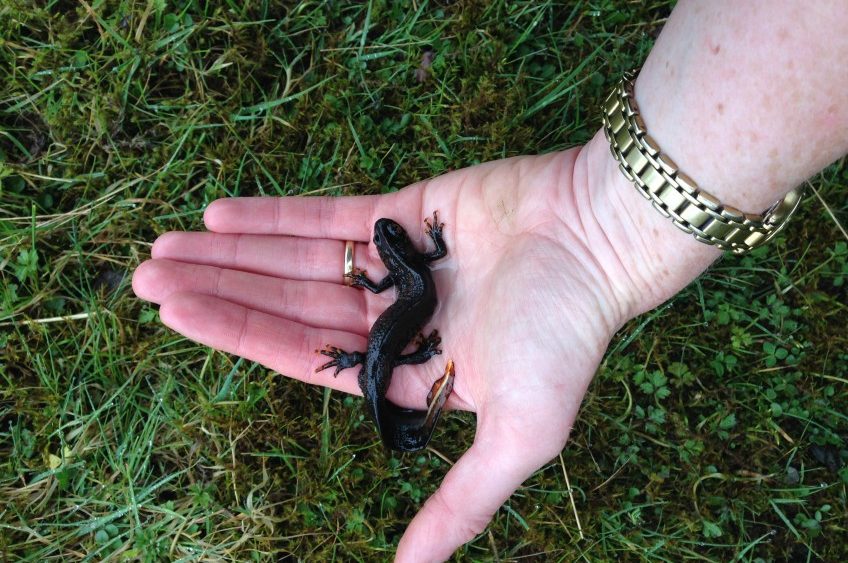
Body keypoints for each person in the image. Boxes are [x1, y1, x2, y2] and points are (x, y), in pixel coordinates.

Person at [132, 1, 848, 561]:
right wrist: (405, 309)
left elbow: (402, 283)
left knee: (381, 358)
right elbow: (421, 267)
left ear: (400, 247)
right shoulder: (416, 268)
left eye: (395, 239)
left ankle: (379, 388)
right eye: (395, 242)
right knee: (380, 360)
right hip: (393, 336)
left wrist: (403, 322)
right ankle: (380, 393)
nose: (391, 241)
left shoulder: (402, 278)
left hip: (394, 331)